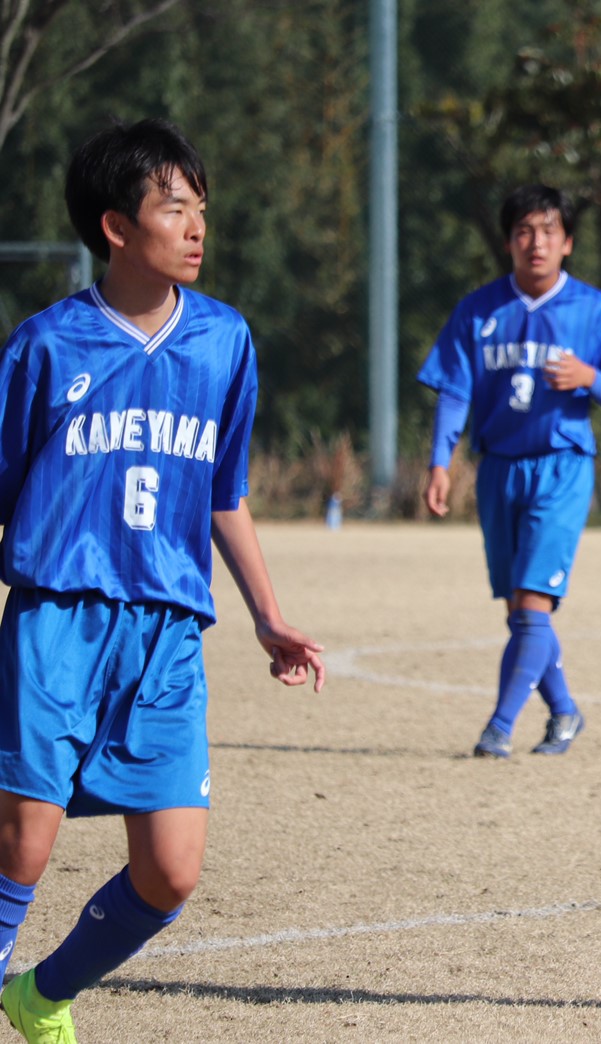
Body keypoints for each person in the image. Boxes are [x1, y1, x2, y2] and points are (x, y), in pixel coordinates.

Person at [0, 117, 326, 1043]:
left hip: (168, 634)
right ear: (115, 226)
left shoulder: (224, 341)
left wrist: (267, 615)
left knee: (172, 870)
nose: (197, 228)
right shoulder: (45, 345)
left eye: (201, 210)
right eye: (174, 208)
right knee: (24, 841)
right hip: (58, 619)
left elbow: (225, 493)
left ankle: (39, 996)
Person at [419, 185, 601, 759]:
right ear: (508, 242)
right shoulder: (479, 310)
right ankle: (565, 712)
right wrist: (440, 462)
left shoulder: (596, 310)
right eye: (524, 231)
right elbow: (454, 391)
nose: (536, 242)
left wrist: (588, 378)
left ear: (567, 242)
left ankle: (498, 728)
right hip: (498, 469)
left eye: (548, 231)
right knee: (520, 610)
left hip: (562, 467)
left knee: (531, 604)